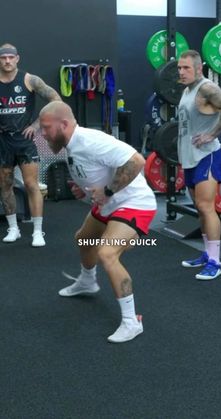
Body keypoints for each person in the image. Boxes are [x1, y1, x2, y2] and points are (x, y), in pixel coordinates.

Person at [39, 101, 157, 343]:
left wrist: (108, 191)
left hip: (134, 203)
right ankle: (87, 281)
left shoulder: (91, 141)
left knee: (106, 253)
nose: (42, 133)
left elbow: (136, 161)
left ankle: (131, 322)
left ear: (64, 125)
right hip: (109, 204)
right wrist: (83, 188)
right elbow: (94, 169)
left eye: (46, 128)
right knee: (83, 238)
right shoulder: (70, 144)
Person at [177, 50, 221, 280]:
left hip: (207, 156)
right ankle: (206, 253)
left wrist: (212, 134)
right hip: (190, 157)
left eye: (186, 68)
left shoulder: (206, 88)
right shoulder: (187, 90)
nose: (181, 72)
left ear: (199, 68)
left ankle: (215, 261)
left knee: (206, 206)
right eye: (180, 68)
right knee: (199, 208)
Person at [0, 43, 62, 246]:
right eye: (3, 58)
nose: (7, 61)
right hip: (2, 141)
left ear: (17, 58)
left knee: (31, 185)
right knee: (5, 185)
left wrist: (37, 125)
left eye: (10, 57)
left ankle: (37, 231)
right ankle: (13, 228)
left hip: (24, 141)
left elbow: (56, 99)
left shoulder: (30, 80)